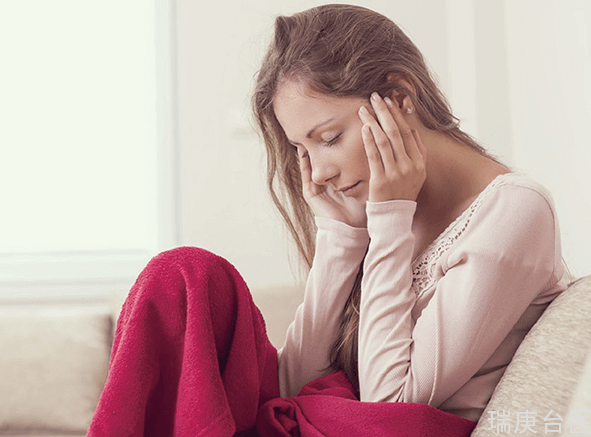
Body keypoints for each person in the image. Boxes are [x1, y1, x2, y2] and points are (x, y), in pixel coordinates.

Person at [87, 4, 570, 436]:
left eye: (330, 137)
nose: (318, 173)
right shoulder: (379, 214)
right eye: (302, 149)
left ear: (401, 98)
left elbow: (390, 402)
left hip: (393, 428)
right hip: (335, 420)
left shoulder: (513, 211)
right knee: (184, 276)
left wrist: (388, 219)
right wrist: (341, 237)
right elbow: (294, 387)